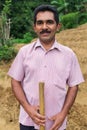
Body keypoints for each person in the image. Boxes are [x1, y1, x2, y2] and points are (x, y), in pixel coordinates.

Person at [8, 4, 84, 130]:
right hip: (29, 122)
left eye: (49, 22)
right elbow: (15, 81)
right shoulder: (24, 52)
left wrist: (63, 114)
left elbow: (73, 86)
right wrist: (28, 109)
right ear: (35, 27)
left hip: (56, 123)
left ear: (58, 26)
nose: (44, 27)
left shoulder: (69, 55)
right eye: (40, 23)